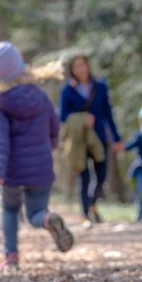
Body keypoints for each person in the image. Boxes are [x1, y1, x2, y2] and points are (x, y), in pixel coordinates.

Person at [0, 41, 74, 269]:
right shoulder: (40, 96)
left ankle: (10, 256)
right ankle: (47, 220)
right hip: (40, 167)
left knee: (9, 210)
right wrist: (51, 145)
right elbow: (54, 126)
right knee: (36, 212)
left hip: (12, 172)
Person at [59, 55, 124, 228]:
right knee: (84, 176)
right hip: (78, 140)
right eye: (76, 67)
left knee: (101, 175)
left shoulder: (100, 86)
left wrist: (116, 137)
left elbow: (108, 113)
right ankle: (85, 213)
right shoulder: (68, 90)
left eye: (83, 65)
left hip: (99, 136)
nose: (80, 69)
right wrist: (82, 119)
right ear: (72, 70)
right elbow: (63, 116)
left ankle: (93, 204)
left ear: (88, 66)